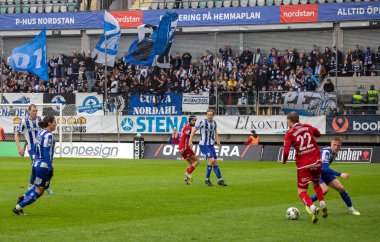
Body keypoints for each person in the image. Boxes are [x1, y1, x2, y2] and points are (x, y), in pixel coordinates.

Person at [282, 112, 326, 223]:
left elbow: (286, 150)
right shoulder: (307, 126)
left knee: (302, 192)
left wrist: (284, 160)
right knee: (316, 184)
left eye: (287, 120)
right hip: (316, 162)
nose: (287, 122)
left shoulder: (289, 133)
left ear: (290, 120)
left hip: (303, 165)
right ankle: (322, 203)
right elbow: (318, 134)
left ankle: (313, 208)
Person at [13, 115, 57, 215]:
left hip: (38, 164)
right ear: (49, 123)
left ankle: (23, 197)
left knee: (40, 186)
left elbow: (37, 150)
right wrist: (49, 167)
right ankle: (18, 207)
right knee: (40, 190)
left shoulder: (40, 133)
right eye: (54, 122)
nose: (56, 124)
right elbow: (46, 152)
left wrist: (37, 163)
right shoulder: (48, 135)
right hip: (44, 166)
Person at [306, 137, 360, 216]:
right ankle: (309, 203)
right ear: (331, 144)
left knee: (341, 188)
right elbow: (324, 168)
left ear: (340, 146)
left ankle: (351, 209)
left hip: (322, 172)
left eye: (338, 145)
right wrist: (340, 174)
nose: (336, 147)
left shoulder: (334, 153)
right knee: (324, 190)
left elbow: (324, 168)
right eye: (334, 145)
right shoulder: (326, 152)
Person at [14, 104, 53, 195]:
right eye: (33, 111)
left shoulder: (40, 120)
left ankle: (45, 185)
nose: (35, 112)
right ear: (29, 111)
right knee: (35, 163)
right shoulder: (24, 121)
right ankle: (31, 184)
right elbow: (16, 134)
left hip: (41, 146)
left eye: (36, 111)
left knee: (46, 164)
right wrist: (19, 147)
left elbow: (46, 130)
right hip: (31, 147)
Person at [188, 109, 227, 186]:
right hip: (203, 144)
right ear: (206, 115)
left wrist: (218, 140)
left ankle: (220, 180)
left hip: (211, 144)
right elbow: (193, 131)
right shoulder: (202, 122)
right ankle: (207, 179)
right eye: (208, 115)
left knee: (215, 161)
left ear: (213, 115)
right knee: (212, 160)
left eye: (211, 115)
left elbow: (215, 131)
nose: (209, 116)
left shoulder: (214, 123)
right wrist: (190, 141)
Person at [178, 116, 200, 185]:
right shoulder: (188, 128)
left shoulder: (186, 126)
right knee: (197, 161)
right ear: (190, 121)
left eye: (195, 120)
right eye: (193, 120)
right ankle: (187, 174)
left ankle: (186, 179)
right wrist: (183, 148)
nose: (194, 122)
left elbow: (181, 137)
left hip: (182, 147)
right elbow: (183, 137)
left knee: (191, 164)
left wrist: (180, 147)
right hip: (185, 148)